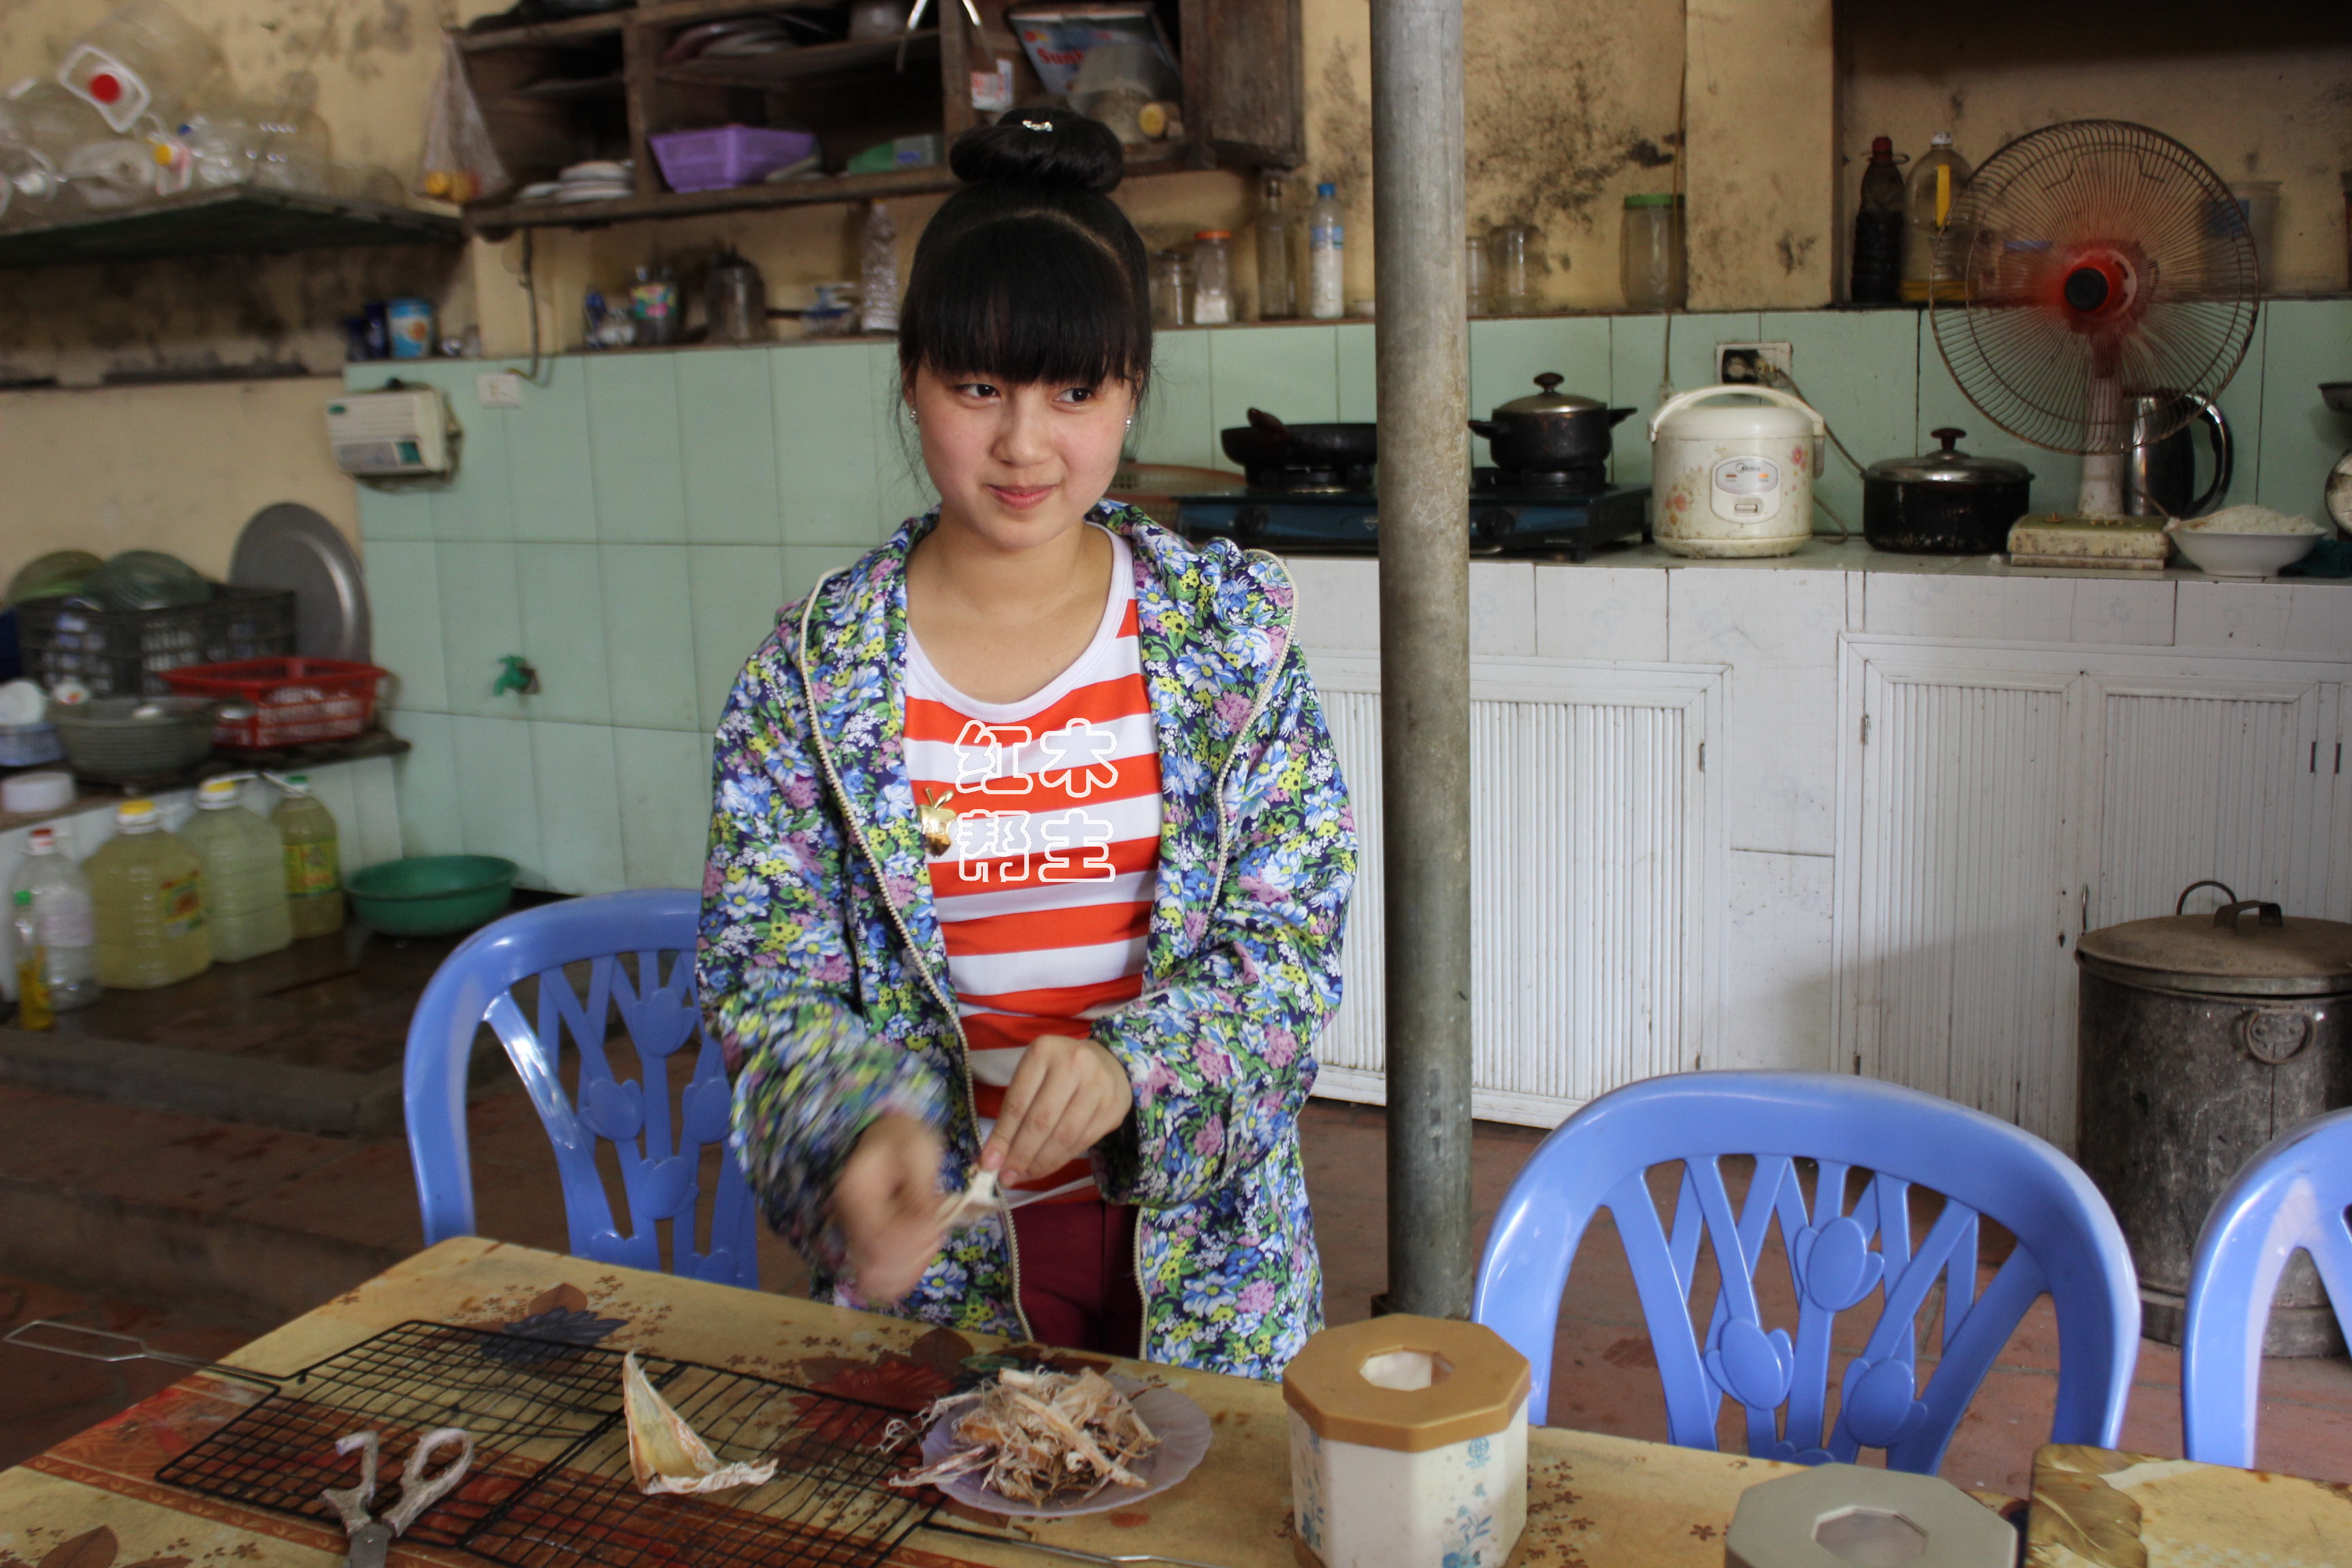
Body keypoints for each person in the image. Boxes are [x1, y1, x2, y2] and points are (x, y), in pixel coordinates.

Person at [699, 108, 1357, 1380]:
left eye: (1074, 389)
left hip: (1208, 1261)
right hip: (938, 1277)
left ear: (1129, 391)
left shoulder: (1230, 643)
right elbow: (764, 975)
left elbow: (1289, 954)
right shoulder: (811, 678)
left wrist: (1135, 1073)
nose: (1024, 443)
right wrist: (851, 1132)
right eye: (979, 385)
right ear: (912, 377)